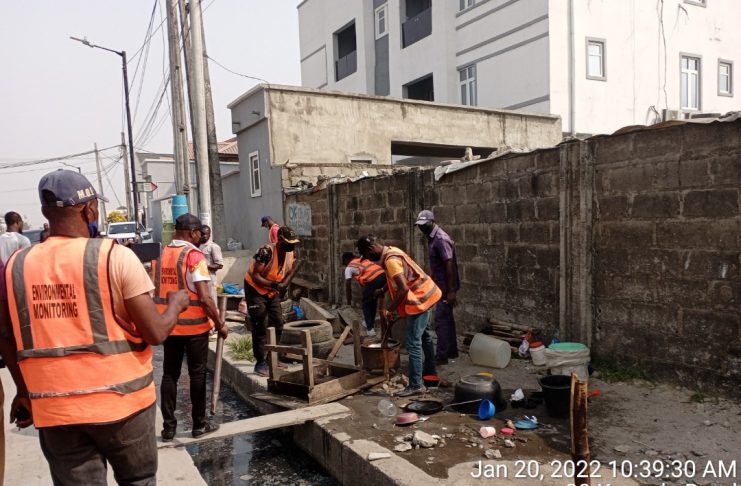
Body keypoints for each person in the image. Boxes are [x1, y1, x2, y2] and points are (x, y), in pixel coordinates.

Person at [1, 169, 189, 485]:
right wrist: (176, 304)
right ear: (89, 209)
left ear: (45, 213)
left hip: (56, 409)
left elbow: (6, 336)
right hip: (123, 404)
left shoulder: (16, 266)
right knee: (139, 480)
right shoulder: (114, 257)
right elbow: (156, 332)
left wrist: (22, 390)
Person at [153, 213, 228, 442]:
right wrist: (220, 324)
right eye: (198, 233)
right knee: (197, 375)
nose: (200, 237)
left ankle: (168, 428)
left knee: (169, 375)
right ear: (192, 233)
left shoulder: (161, 254)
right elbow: (205, 297)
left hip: (169, 325)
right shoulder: (194, 256)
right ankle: (199, 425)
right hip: (194, 327)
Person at [357, 235, 442, 397]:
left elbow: (403, 288)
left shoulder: (391, 261)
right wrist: (383, 289)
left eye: (367, 255)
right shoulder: (392, 251)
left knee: (413, 342)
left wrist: (390, 310)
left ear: (371, 249)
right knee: (425, 337)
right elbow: (397, 277)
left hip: (420, 300)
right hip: (428, 294)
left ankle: (416, 385)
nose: (368, 259)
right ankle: (430, 374)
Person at [244, 226, 300, 377]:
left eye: (294, 243)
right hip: (255, 290)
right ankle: (260, 362)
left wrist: (282, 288)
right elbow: (255, 275)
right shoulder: (265, 252)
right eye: (289, 243)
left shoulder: (291, 254)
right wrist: (274, 285)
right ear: (280, 240)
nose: (292, 246)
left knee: (278, 322)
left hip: (271, 291)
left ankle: (273, 357)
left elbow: (287, 273)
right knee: (260, 325)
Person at [415, 210, 461, 365]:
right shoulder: (432, 237)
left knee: (441, 320)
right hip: (441, 285)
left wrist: (451, 291)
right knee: (447, 318)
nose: (422, 228)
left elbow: (449, 264)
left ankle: (442, 356)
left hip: (446, 287)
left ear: (432, 222)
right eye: (419, 225)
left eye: (424, 225)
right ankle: (452, 351)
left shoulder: (441, 239)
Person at [341, 251, 386, 337]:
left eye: (344, 263)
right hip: (383, 276)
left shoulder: (349, 267)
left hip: (373, 279)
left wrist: (349, 303)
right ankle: (369, 322)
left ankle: (370, 329)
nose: (345, 265)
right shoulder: (362, 260)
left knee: (366, 304)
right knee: (372, 300)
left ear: (346, 260)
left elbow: (348, 286)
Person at [199, 224, 224, 305]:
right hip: (198, 277)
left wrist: (204, 266)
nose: (205, 236)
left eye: (207, 234)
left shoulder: (213, 247)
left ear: (210, 234)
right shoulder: (196, 246)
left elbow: (220, 265)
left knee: (211, 300)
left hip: (209, 277)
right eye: (202, 234)